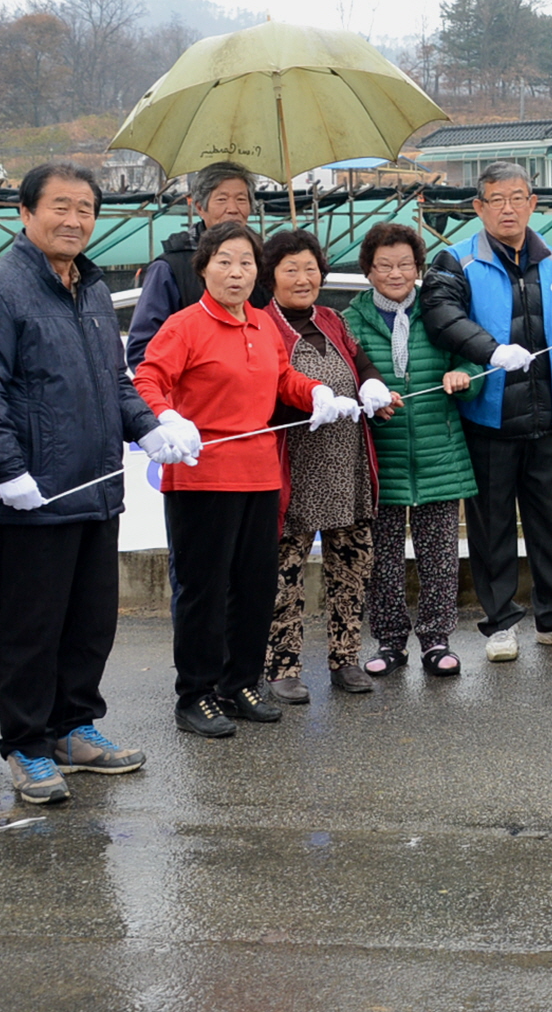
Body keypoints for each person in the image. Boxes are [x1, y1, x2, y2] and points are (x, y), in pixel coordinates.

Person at [0, 163, 174, 805]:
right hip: (32, 496)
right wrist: (5, 468)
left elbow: (115, 381)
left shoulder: (94, 290)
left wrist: (149, 427)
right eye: (60, 206)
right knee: (31, 629)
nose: (74, 220)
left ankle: (74, 728)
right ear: (25, 213)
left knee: (89, 622)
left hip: (95, 488)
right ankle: (27, 744)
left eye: (85, 209)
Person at [133, 221, 357, 736]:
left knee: (255, 586)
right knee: (204, 590)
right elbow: (148, 378)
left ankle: (240, 682)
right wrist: (165, 418)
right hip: (203, 475)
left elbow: (283, 378)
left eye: (246, 263)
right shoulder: (185, 325)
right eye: (225, 262)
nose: (236, 273)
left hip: (260, 474)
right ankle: (196, 693)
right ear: (204, 268)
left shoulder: (261, 323)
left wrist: (315, 392)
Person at [420, 161, 552, 655]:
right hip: (489, 418)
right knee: (491, 526)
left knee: (549, 522)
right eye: (496, 199)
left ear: (532, 203)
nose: (508, 209)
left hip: (548, 416)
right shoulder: (455, 261)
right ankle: (500, 622)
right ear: (478, 207)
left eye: (518, 198)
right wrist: (490, 350)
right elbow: (441, 315)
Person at [262, 229, 396, 701]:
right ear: (271, 275)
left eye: (311, 268)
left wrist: (373, 386)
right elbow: (265, 389)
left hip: (347, 463)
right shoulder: (261, 325)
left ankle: (346, 658)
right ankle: (282, 666)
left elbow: (362, 363)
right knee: (284, 574)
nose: (304, 279)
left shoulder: (333, 319)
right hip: (294, 467)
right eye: (291, 270)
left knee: (352, 566)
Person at [344, 223, 482, 671]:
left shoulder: (440, 311)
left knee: (440, 557)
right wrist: (367, 400)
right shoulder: (349, 321)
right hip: (379, 458)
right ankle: (389, 642)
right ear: (368, 270)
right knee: (381, 559)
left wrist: (462, 377)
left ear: (419, 267)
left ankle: (437, 640)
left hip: (439, 453)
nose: (396, 273)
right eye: (384, 265)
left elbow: (472, 360)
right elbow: (342, 381)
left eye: (405, 264)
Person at [124, 162, 257, 368]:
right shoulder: (171, 267)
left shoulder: (264, 259)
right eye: (221, 199)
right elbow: (143, 350)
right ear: (200, 208)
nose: (233, 209)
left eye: (241, 199)